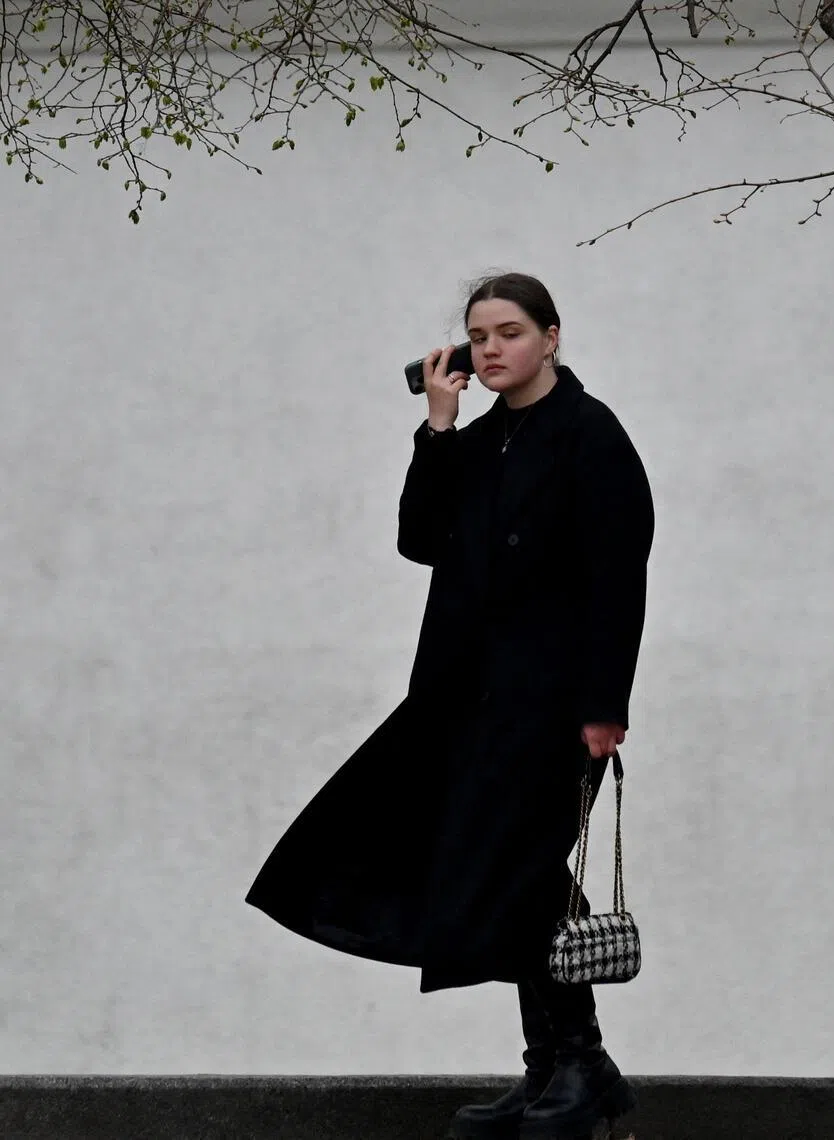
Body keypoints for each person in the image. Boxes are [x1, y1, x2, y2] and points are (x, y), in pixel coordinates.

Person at [245, 271, 655, 1140]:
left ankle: (575, 1066)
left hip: (550, 703)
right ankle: (560, 1069)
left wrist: (603, 706)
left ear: (552, 336)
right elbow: (419, 541)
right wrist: (437, 427)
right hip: (459, 699)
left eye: (510, 331)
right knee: (502, 869)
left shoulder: (592, 436)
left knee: (523, 868)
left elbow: (620, 579)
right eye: (479, 335)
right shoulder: (473, 445)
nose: (492, 348)